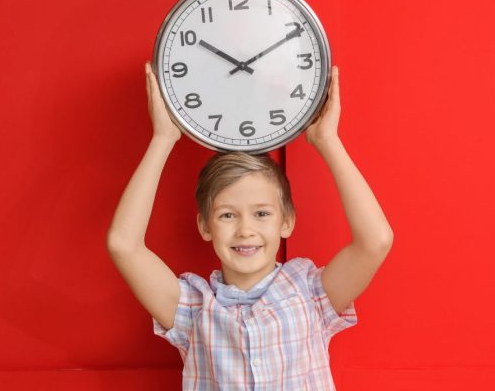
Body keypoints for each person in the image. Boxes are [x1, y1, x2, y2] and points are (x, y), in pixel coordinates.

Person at [106, 61, 394, 390]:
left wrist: (327, 140)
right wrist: (163, 138)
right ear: (205, 226)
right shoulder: (192, 308)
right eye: (228, 215)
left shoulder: (310, 293)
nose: (245, 230)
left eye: (261, 214)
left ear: (287, 221)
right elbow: (123, 245)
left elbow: (376, 241)